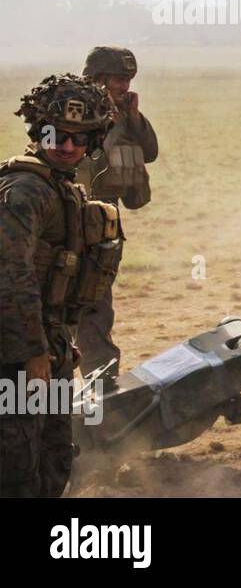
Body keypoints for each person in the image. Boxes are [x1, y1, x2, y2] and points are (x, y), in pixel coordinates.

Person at [1, 74, 123, 497]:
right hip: (15, 353)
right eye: (56, 134)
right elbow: (11, 278)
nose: (66, 145)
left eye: (78, 137)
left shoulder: (59, 187)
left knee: (54, 456)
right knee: (18, 466)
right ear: (39, 132)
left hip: (45, 345)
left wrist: (56, 341)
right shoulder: (25, 191)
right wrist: (34, 352)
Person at [75, 46, 159, 384]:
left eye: (127, 80)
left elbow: (150, 152)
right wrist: (108, 123)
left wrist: (133, 118)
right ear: (97, 79)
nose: (124, 86)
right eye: (118, 79)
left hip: (106, 220)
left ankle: (102, 389)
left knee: (97, 302)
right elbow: (84, 156)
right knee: (69, 304)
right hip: (72, 213)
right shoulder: (74, 108)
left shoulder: (123, 113)